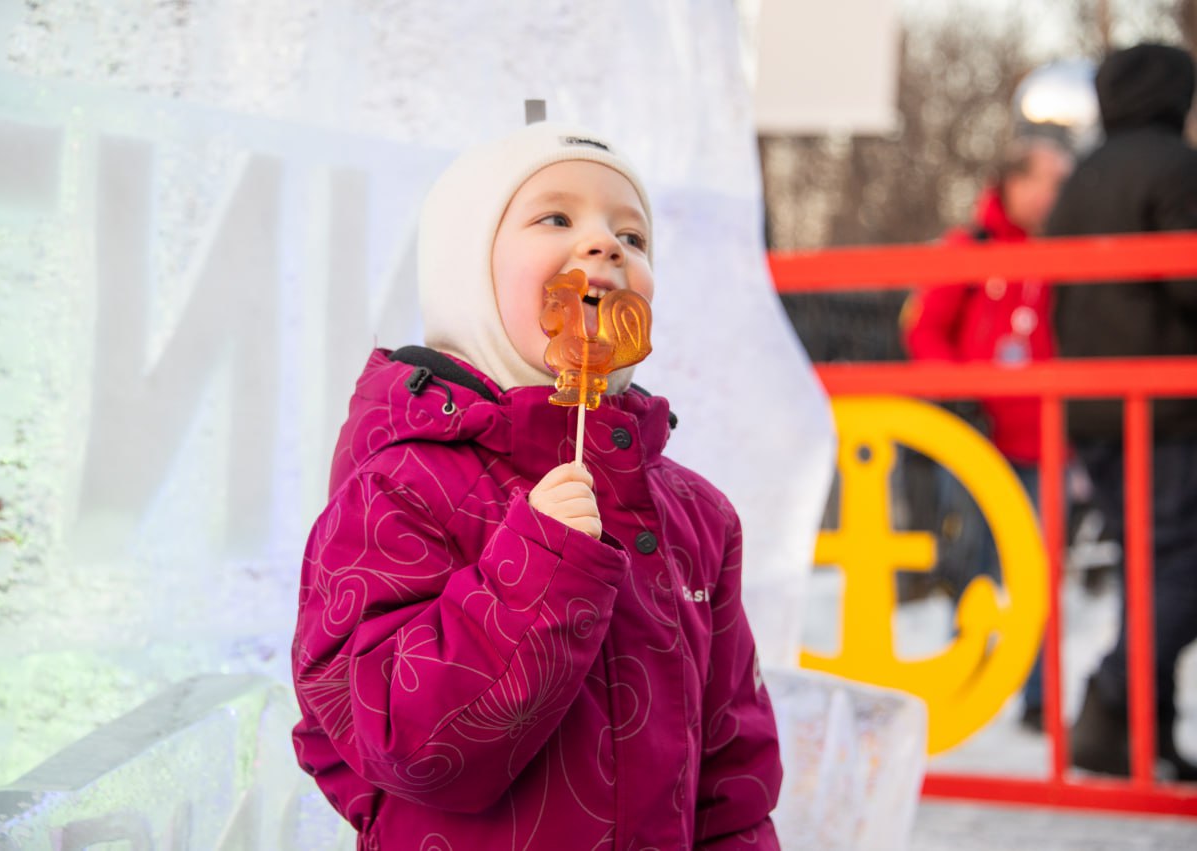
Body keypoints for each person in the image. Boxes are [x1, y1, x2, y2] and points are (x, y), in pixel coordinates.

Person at [290, 122, 783, 847]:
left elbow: (731, 778)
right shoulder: (402, 485)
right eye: (557, 217)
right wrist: (539, 569)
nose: (605, 245)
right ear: (468, 272)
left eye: (633, 237)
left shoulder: (697, 515)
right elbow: (398, 739)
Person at [1046, 42, 1197, 781]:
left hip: (1093, 408)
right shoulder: (1176, 168)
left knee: (1150, 567)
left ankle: (1147, 739)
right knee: (1179, 567)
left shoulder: (1082, 178)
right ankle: (1112, 701)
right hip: (1167, 409)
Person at [901, 135, 1073, 731]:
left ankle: (1038, 702)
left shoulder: (1062, 252)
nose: (1059, 194)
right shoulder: (968, 247)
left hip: (1043, 442)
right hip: (979, 443)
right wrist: (962, 392)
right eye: (1051, 181)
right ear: (1016, 183)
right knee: (970, 567)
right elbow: (925, 330)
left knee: (1041, 570)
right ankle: (967, 682)